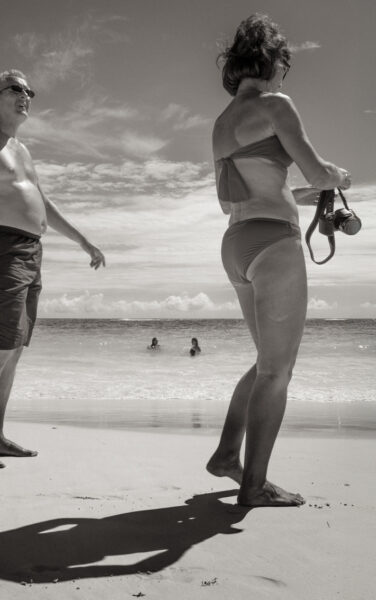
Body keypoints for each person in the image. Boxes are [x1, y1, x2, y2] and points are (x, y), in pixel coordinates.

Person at [205, 15, 351, 506]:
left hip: (236, 243)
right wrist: (337, 177)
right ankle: (255, 485)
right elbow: (318, 172)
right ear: (272, 61)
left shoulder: (222, 123)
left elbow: (234, 198)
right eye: (285, 64)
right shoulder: (276, 105)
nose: (285, 75)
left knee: (267, 363)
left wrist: (308, 192)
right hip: (273, 245)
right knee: (277, 370)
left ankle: (228, 454)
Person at [0, 69, 105, 469]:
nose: (26, 95)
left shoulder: (22, 150)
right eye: (16, 88)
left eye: (30, 90)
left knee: (13, 349)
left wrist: (83, 240)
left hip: (30, 251)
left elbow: (41, 203)